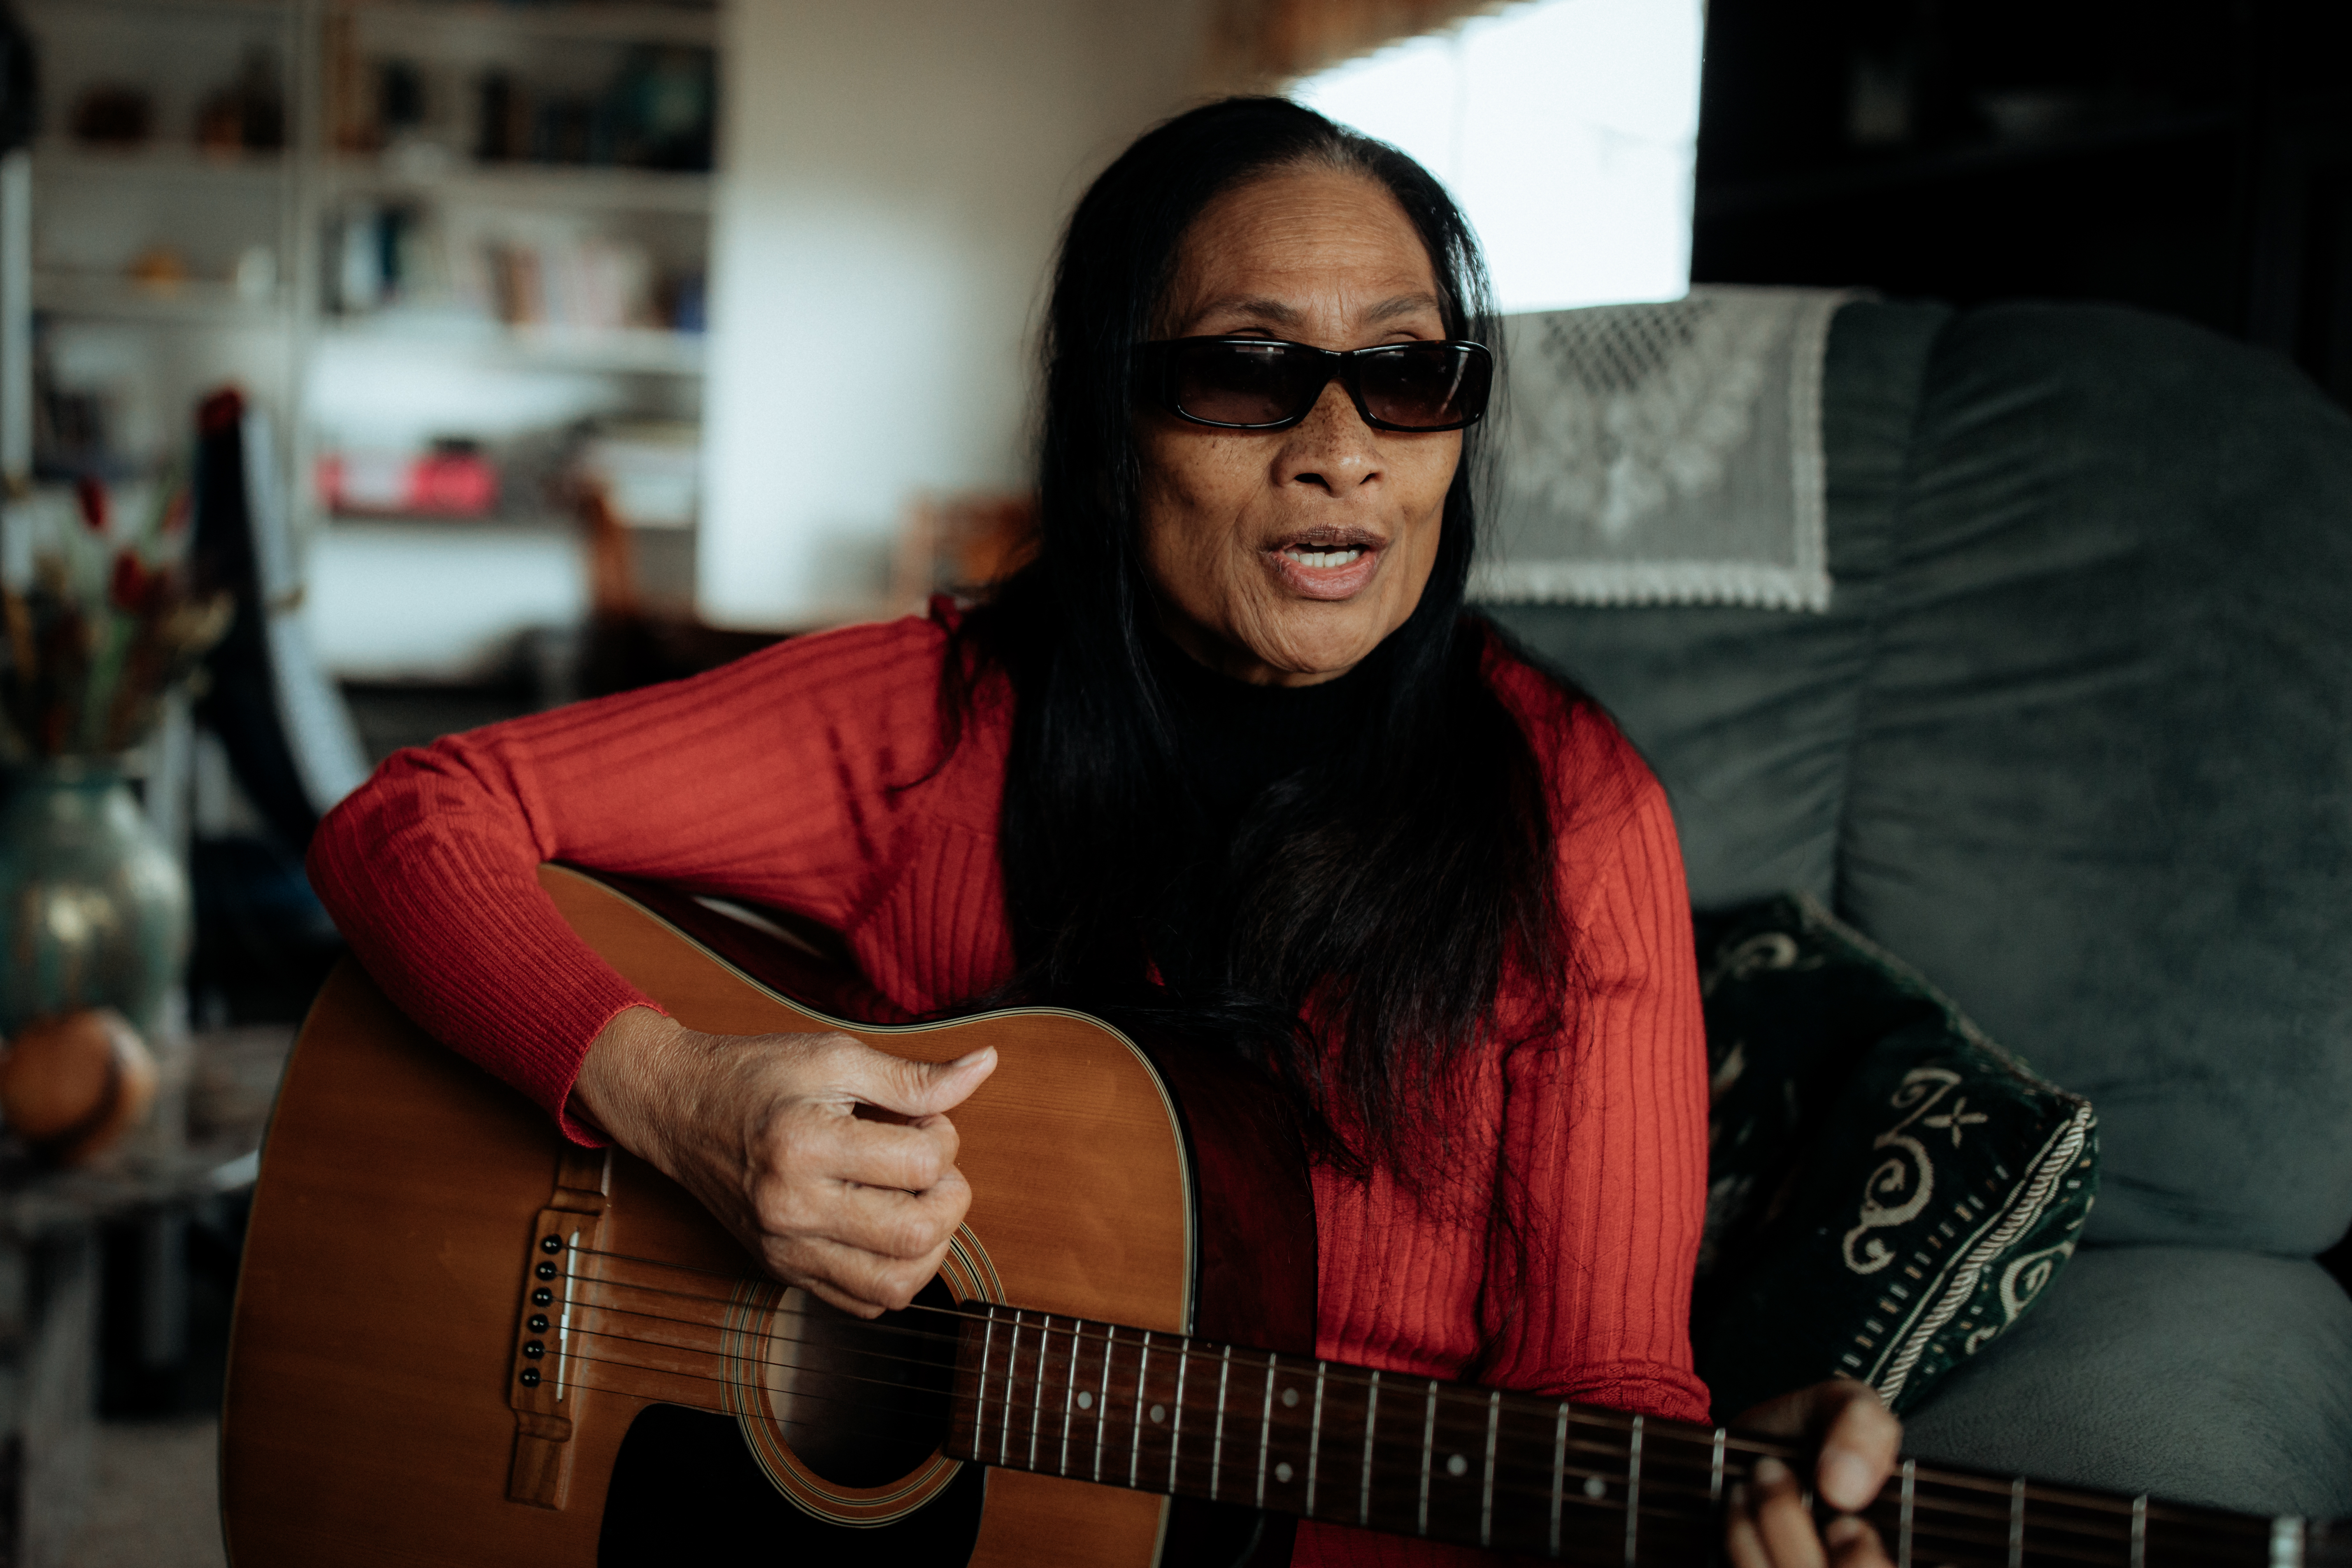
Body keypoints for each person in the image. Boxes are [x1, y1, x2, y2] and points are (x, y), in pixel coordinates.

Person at [309, 97, 1898, 1567]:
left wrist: (1708, 1492)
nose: (1342, 446)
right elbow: (412, 814)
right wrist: (677, 1103)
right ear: (1110, 419)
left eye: (1408, 373)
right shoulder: (930, 726)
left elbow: (1602, 1388)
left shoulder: (1575, 815)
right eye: (1245, 368)